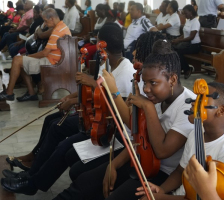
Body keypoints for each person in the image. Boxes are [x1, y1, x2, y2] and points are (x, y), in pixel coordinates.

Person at [1, 24, 136, 196]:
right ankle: (31, 173)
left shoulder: (126, 72)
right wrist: (72, 99)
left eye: (97, 41)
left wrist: (86, 91)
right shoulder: (107, 63)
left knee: (62, 138)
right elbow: (97, 93)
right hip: (96, 117)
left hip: (105, 128)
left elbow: (116, 108)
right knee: (53, 122)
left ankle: (33, 182)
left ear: (103, 44)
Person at [50, 39, 196, 200]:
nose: (146, 89)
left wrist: (147, 107)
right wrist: (114, 165)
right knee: (85, 182)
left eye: (152, 83)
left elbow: (162, 151)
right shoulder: (158, 96)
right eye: (145, 83)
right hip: (142, 161)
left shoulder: (188, 106)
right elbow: (142, 141)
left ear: (173, 80)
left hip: (162, 174)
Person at [135, 82, 224, 200]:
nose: (194, 102)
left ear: (221, 110)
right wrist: (161, 190)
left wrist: (160, 198)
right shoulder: (195, 134)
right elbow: (180, 171)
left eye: (201, 99)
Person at [0, 8, 71, 101]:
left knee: (17, 60)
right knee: (20, 62)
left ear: (52, 19)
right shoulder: (62, 27)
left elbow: (45, 52)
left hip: (52, 62)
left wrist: (28, 57)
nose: (45, 23)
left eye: (45, 21)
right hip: (55, 60)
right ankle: (31, 93)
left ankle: (9, 93)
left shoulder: (57, 31)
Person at [172, 5, 201, 79]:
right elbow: (185, 34)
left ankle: (187, 69)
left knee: (179, 52)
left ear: (191, 12)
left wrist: (179, 40)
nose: (184, 15)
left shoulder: (195, 22)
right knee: (173, 49)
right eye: (183, 13)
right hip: (187, 44)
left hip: (195, 46)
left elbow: (191, 37)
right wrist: (177, 39)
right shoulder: (188, 21)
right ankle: (180, 68)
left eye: (185, 13)